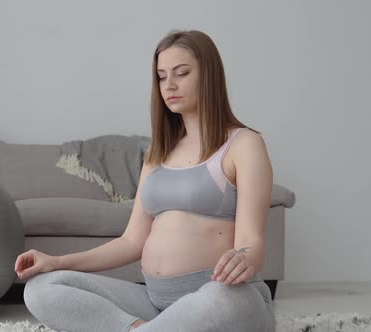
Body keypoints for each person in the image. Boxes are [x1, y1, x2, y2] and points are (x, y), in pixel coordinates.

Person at [14, 29, 275, 332]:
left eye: (182, 73)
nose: (170, 85)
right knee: (41, 287)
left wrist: (244, 259)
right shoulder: (158, 152)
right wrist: (56, 262)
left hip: (221, 296)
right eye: (162, 77)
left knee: (222, 298)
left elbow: (251, 242)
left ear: (210, 76)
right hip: (154, 303)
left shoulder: (244, 144)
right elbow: (131, 241)